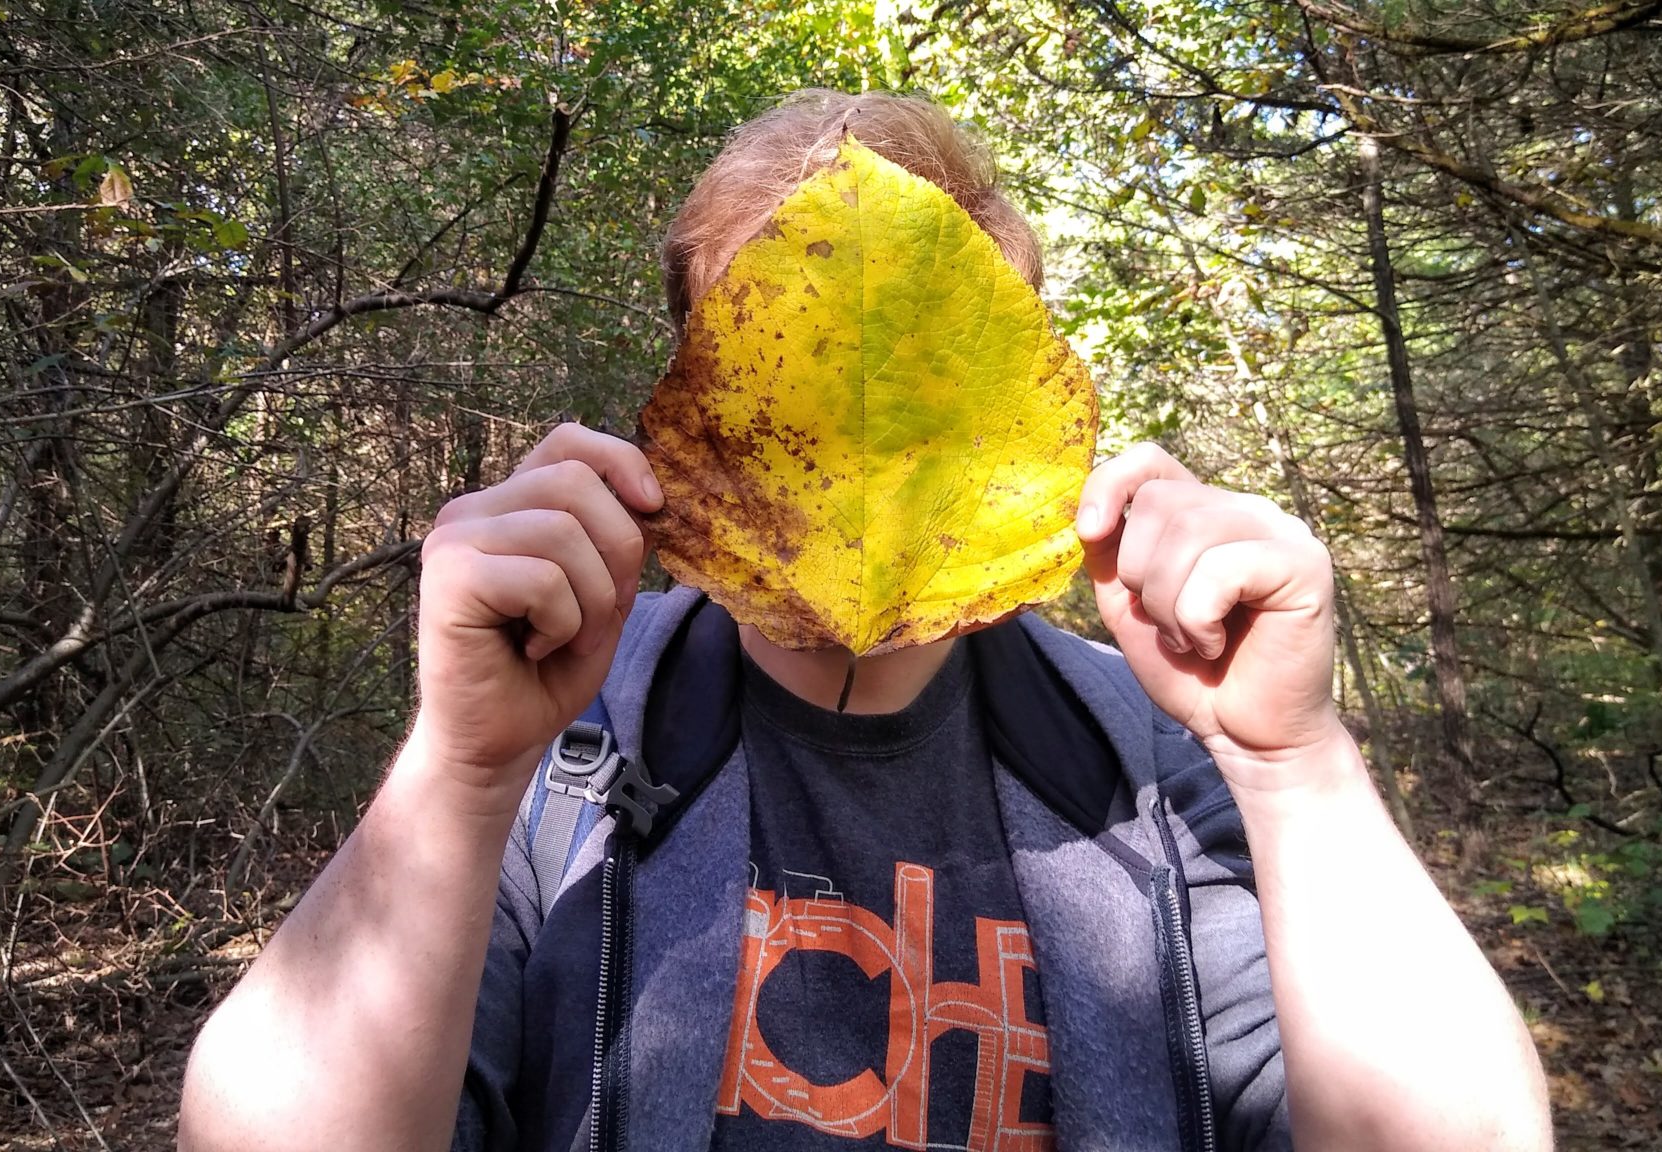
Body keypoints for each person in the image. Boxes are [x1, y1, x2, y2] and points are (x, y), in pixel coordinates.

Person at [179, 90, 1551, 1152]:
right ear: (695, 414)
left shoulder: (1145, 755)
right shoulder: (564, 753)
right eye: (788, 391)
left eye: (924, 399)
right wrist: (461, 774)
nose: (855, 467)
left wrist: (1294, 768)